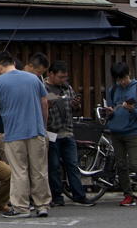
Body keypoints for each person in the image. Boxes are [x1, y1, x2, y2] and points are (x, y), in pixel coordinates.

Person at [0, 52, 52, 218]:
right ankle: (42, 205)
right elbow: (44, 104)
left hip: (14, 133)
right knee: (39, 170)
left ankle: (21, 207)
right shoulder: (33, 79)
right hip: (36, 130)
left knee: (19, 171)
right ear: (13, 62)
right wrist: (42, 125)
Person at [102, 61, 137, 208]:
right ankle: (128, 195)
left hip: (133, 132)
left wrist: (132, 110)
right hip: (116, 131)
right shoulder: (113, 89)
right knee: (120, 165)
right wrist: (110, 112)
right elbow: (112, 108)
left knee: (135, 164)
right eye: (118, 79)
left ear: (128, 75)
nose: (121, 82)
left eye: (123, 78)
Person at [44, 61, 93, 207]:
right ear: (51, 74)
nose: (63, 80)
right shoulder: (43, 88)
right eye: (60, 77)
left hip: (68, 131)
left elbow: (74, 109)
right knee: (53, 166)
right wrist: (49, 103)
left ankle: (79, 195)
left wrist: (75, 105)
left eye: (65, 77)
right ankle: (57, 196)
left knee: (72, 164)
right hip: (51, 132)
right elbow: (43, 107)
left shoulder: (67, 88)